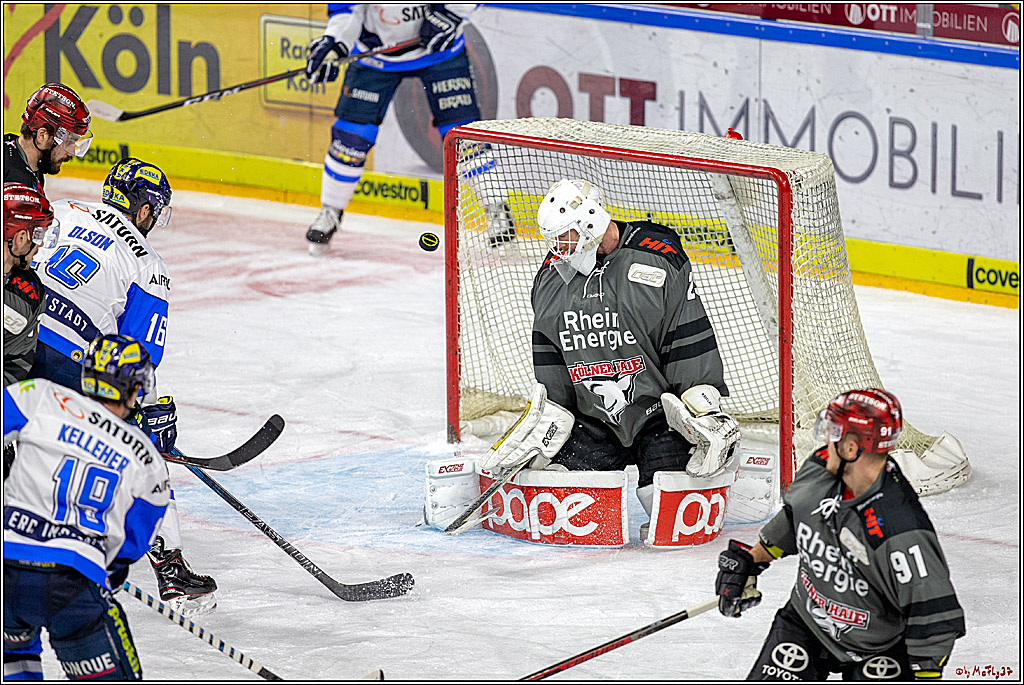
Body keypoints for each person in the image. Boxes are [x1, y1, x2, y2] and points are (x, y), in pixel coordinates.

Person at [480, 178, 740, 532]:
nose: (557, 248)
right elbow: (550, 352)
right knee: (567, 514)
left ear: (589, 222)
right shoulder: (551, 281)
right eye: (553, 239)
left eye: (565, 236)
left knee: (670, 512)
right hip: (594, 421)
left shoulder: (658, 259)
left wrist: (703, 406)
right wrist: (551, 416)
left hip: (660, 417)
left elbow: (686, 338)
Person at [29, 157, 218, 614]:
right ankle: (171, 572)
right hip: (69, 363)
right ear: (144, 209)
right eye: (155, 209)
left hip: (15, 335)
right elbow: (137, 358)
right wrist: (152, 415)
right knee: (136, 454)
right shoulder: (149, 266)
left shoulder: (67, 209)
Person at [714, 388, 966, 681]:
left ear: (850, 448)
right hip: (807, 622)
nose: (825, 441)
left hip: (880, 649)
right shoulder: (820, 468)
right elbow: (797, 519)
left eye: (832, 432)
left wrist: (924, 674)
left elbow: (935, 621)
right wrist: (753, 560)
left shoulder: (901, 530)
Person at [3, 334, 169, 680]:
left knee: (13, 665)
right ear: (131, 387)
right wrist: (112, 570)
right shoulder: (146, 456)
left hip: (7, 566)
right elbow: (133, 542)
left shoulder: (39, 397)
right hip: (74, 585)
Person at [302, 3, 514, 255]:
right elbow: (347, 10)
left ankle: (497, 210)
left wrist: (452, 13)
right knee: (351, 136)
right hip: (377, 55)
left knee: (465, 137)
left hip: (439, 52)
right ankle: (331, 209)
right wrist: (335, 42)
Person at [4, 184, 59, 386]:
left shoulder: (29, 292)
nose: (40, 244)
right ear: (19, 239)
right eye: (37, 235)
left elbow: (13, 368)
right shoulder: (26, 298)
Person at [4, 83, 92, 191]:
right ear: (42, 136)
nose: (71, 151)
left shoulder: (15, 150)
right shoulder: (17, 183)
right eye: (69, 142)